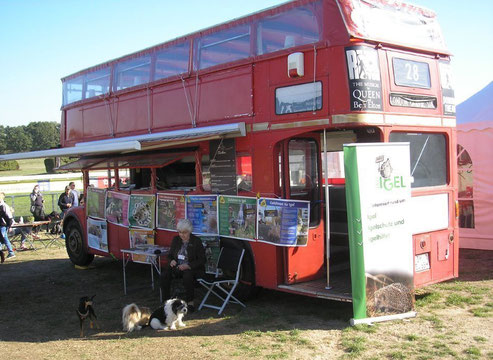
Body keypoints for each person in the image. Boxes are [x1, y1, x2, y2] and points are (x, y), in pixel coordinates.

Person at [161, 219, 206, 311]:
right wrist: (171, 261)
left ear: (189, 231)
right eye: (180, 232)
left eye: (184, 233)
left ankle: (190, 302)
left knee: (187, 276)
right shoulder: (176, 240)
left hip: (191, 268)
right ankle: (166, 301)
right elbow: (169, 255)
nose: (182, 235)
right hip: (177, 267)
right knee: (165, 275)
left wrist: (189, 265)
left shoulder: (196, 241)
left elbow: (202, 259)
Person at [0, 192, 15, 259]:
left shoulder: (4, 205)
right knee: (3, 239)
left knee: (4, 239)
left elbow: (9, 216)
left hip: (3, 225)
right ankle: (9, 252)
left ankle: (11, 252)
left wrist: (9, 225)